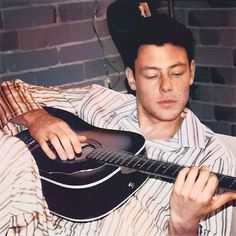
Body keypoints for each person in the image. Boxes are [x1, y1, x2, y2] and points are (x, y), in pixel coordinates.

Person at [0, 11, 235, 236]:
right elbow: (8, 91)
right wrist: (38, 118)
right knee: (10, 149)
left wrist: (183, 226)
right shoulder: (101, 101)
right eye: (152, 75)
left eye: (176, 74)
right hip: (38, 225)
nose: (166, 87)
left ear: (191, 73)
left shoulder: (211, 158)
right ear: (132, 78)